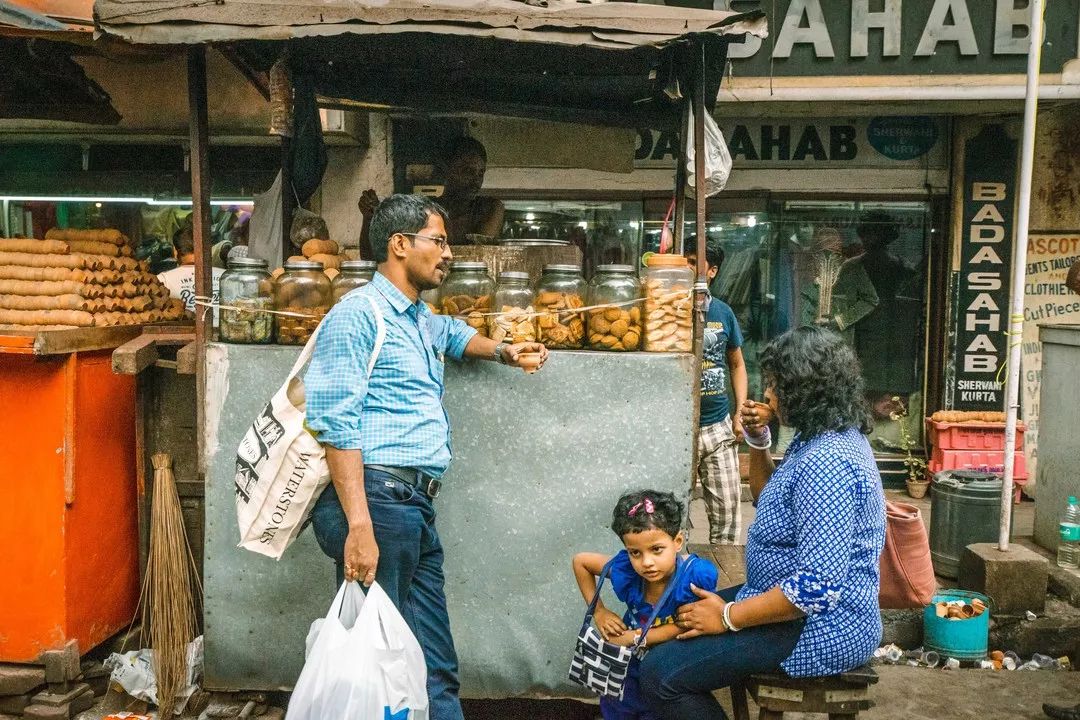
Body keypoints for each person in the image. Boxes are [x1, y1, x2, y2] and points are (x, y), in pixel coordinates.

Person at [303, 194, 547, 720]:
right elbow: (334, 425)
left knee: (432, 662)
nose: (448, 253)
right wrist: (359, 525)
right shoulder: (357, 316)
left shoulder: (417, 317)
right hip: (377, 503)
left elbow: (454, 334)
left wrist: (505, 350)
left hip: (411, 506)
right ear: (399, 244)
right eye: (438, 241)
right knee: (380, 665)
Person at [637, 325, 886, 720]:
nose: (768, 394)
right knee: (676, 616)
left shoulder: (828, 463)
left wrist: (726, 618)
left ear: (804, 390)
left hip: (820, 626)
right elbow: (768, 497)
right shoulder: (821, 437)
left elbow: (816, 590)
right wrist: (758, 440)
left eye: (776, 384)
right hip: (781, 601)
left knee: (659, 675)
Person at [572, 491, 719, 720]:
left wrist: (634, 638)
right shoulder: (628, 571)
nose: (647, 562)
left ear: (677, 542)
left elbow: (689, 624)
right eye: (635, 553)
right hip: (625, 672)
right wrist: (599, 611)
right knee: (618, 711)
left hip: (665, 674)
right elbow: (580, 562)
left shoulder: (693, 578)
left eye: (656, 549)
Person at [686, 240, 748, 545]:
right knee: (670, 519)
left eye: (695, 262)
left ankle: (723, 573)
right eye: (685, 261)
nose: (688, 268)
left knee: (727, 519)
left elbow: (737, 364)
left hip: (717, 426)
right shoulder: (668, 310)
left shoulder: (723, 312)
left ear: (712, 271)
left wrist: (739, 414)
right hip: (677, 429)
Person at [358, 136, 505, 256]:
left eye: (480, 173)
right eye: (467, 171)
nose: (476, 181)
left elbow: (478, 254)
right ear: (446, 170)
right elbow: (375, 257)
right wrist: (370, 218)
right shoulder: (424, 209)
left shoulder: (489, 208)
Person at [156, 216, 224, 323]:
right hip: (224, 332)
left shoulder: (163, 280)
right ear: (207, 250)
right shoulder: (225, 277)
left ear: (175, 252)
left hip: (183, 333)